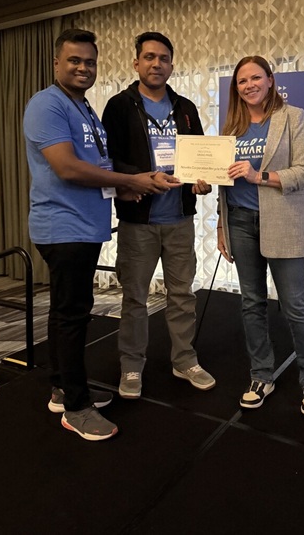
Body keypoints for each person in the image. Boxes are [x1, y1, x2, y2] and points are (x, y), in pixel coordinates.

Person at [23, 28, 179, 441]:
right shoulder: (47, 104)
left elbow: (98, 165)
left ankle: (63, 389)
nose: (83, 68)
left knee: (66, 311)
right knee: (73, 315)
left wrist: (122, 188)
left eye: (89, 62)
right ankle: (76, 408)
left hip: (85, 225)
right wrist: (131, 180)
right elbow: (68, 167)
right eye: (74, 60)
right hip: (63, 226)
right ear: (56, 63)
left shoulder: (84, 108)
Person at [102, 31, 216, 399]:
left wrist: (202, 181)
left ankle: (184, 360)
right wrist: (139, 178)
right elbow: (109, 159)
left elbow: (200, 156)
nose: (156, 64)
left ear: (171, 65)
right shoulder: (119, 106)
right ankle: (132, 365)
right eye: (149, 57)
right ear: (136, 63)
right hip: (138, 221)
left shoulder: (185, 107)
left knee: (182, 294)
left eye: (163, 58)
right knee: (135, 298)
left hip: (179, 219)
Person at [217, 56, 304, 415]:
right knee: (252, 303)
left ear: (270, 80)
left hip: (283, 221)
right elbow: (223, 181)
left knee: (295, 305)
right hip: (239, 221)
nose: (249, 85)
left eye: (255, 78)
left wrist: (259, 176)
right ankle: (261, 375)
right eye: (242, 81)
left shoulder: (292, 117)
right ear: (236, 88)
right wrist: (220, 224)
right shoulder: (231, 127)